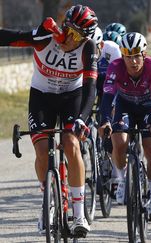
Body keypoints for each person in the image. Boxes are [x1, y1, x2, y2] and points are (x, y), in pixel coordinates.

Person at [0, 4, 98, 235]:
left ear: (85, 38)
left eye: (76, 35)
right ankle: (48, 198)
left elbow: (90, 88)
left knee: (71, 143)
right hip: (42, 97)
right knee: (42, 150)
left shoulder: (89, 48)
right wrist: (38, 33)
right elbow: (8, 37)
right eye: (67, 29)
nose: (69, 38)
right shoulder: (46, 38)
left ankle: (79, 213)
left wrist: (82, 119)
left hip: (71, 97)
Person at [98, 32, 151, 223]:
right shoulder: (115, 66)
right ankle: (120, 178)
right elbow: (108, 96)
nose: (133, 61)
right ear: (123, 55)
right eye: (128, 56)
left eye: (137, 56)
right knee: (119, 143)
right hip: (125, 106)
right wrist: (105, 120)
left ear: (144, 54)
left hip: (147, 107)